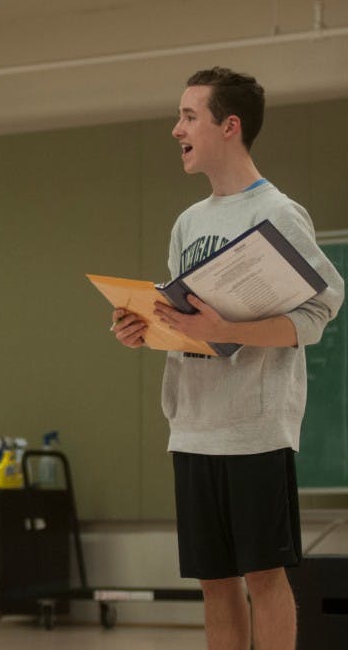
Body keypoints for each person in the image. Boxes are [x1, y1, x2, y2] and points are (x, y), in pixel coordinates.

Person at [112, 67, 344, 650]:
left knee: (264, 576)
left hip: (255, 431)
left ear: (229, 126)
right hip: (193, 427)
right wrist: (147, 324)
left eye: (189, 116)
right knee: (215, 583)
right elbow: (187, 320)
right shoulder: (187, 222)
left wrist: (230, 327)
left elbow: (319, 314)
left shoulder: (280, 213)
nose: (176, 129)